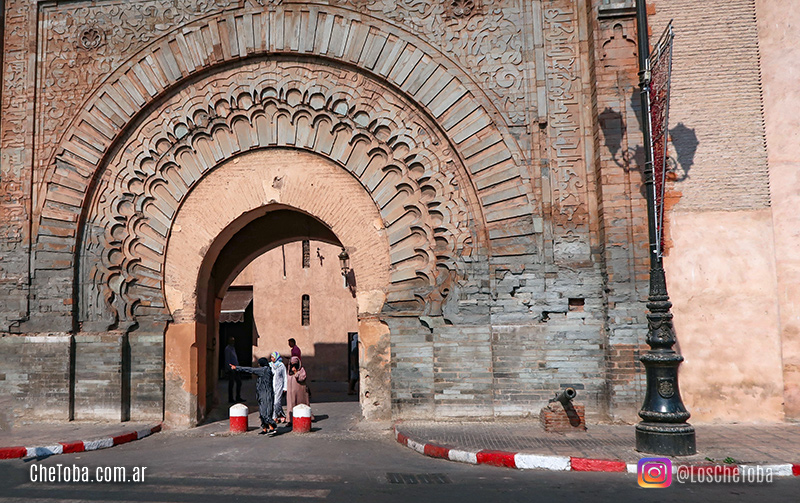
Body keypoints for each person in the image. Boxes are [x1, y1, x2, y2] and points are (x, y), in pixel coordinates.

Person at [230, 358, 277, 435]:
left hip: (266, 394)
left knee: (266, 412)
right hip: (261, 394)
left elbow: (250, 370)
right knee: (262, 412)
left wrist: (237, 368)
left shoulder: (264, 370)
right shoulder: (265, 370)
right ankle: (264, 429)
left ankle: (272, 427)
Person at [286, 356, 312, 425]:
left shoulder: (301, 370)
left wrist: (296, 373)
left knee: (301, 404)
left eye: (295, 364)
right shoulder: (289, 371)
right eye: (292, 364)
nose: (293, 366)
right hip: (290, 393)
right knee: (291, 405)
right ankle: (290, 420)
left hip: (300, 391)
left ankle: (304, 417)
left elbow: (302, 378)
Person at [269, 351, 287, 424]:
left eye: (273, 357)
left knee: (276, 402)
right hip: (272, 386)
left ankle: (275, 417)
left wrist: (285, 387)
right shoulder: (270, 365)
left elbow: (285, 376)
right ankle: (282, 415)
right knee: (274, 402)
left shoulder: (281, 365)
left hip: (279, 386)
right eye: (271, 357)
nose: (272, 359)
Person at [224, 337, 243, 403]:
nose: (233, 342)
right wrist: (228, 368)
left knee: (239, 383)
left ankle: (238, 396)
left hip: (236, 368)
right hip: (231, 368)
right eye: (231, 341)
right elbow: (227, 359)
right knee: (231, 384)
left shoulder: (233, 348)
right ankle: (231, 398)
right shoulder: (227, 349)